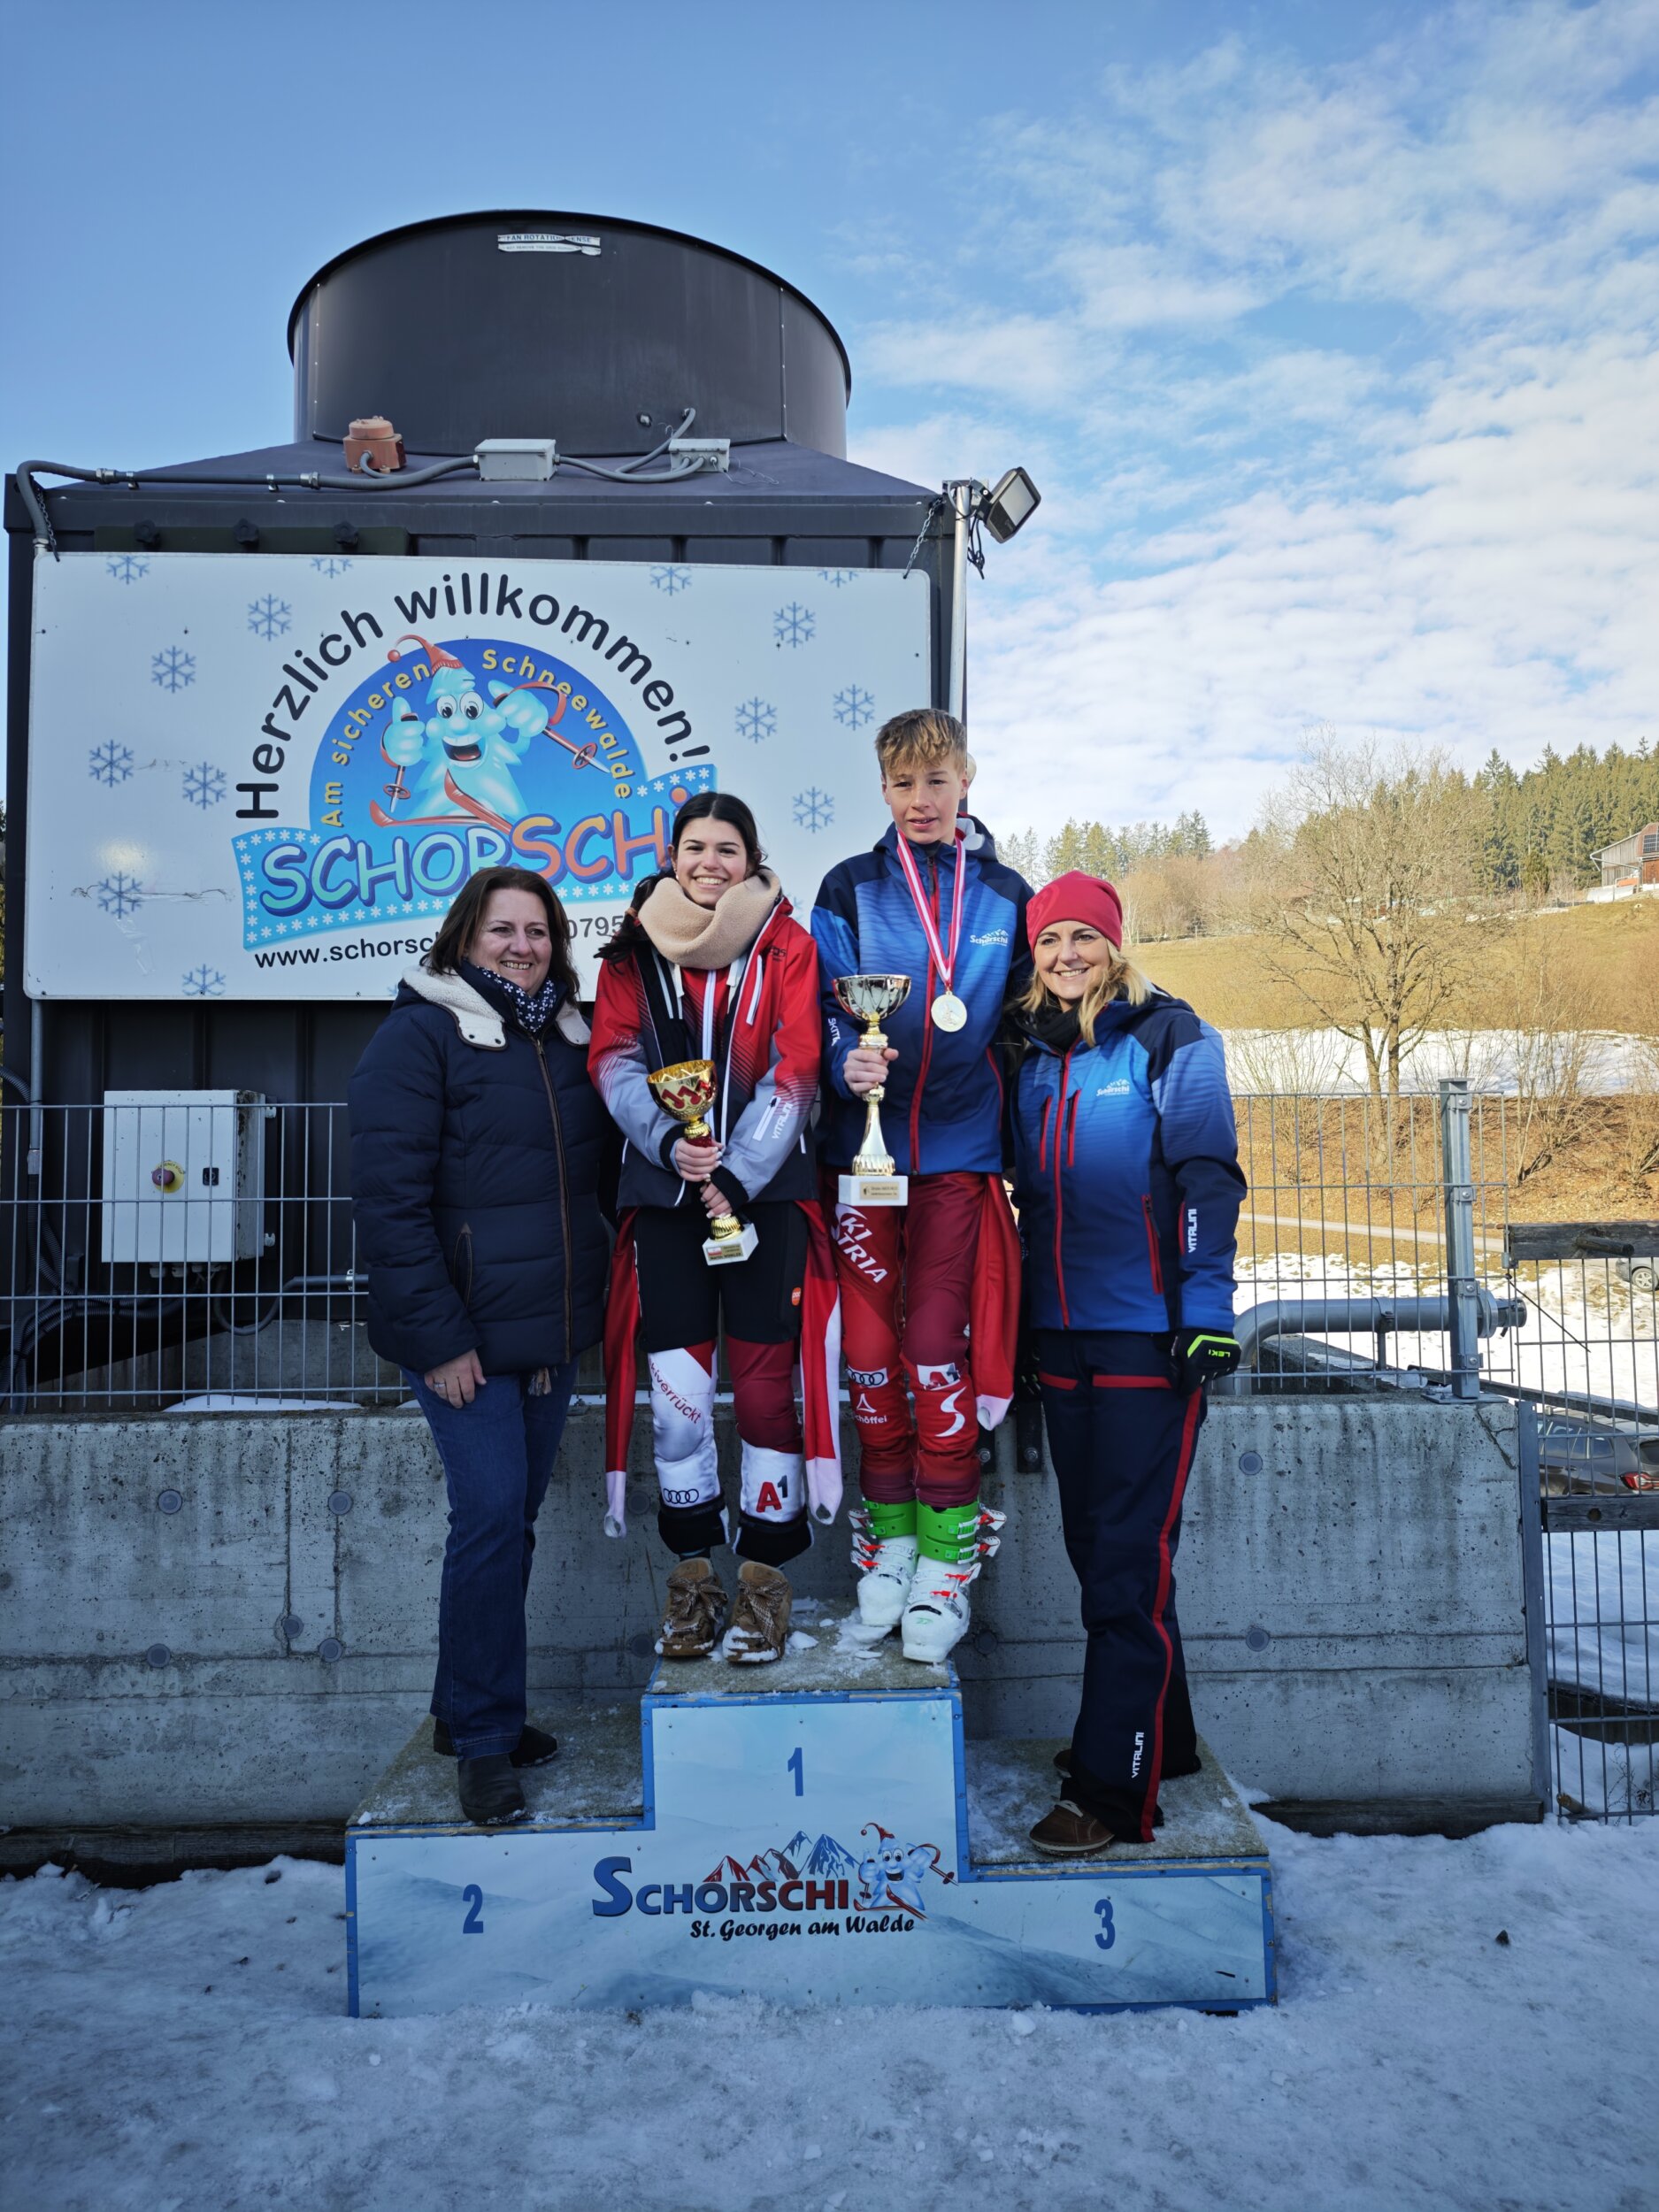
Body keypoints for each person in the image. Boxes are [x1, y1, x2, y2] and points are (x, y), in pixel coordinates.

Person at [349, 867, 610, 1827]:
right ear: (464, 937)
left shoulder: (567, 1035)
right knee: (491, 1517)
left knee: (512, 1523)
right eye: (502, 930)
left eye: (537, 932)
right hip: (458, 1337)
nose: (521, 947)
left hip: (542, 1334)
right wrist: (440, 1341)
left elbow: (578, 1189)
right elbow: (390, 1207)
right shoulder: (419, 1035)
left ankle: (465, 1711)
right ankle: (486, 1741)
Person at [1008, 871, 1246, 1855]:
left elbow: (1207, 1177)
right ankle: (1165, 1741)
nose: (1068, 954)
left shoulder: (1171, 1038)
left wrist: (1205, 1311)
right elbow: (1024, 1198)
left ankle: (1114, 1792)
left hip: (1151, 1338)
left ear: (1114, 944)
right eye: (1050, 938)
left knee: (1122, 1565)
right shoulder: (1031, 1054)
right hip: (1061, 1339)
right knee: (1103, 1554)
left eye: (1084, 936)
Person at [589, 794, 840, 1664]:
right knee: (680, 1401)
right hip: (664, 1198)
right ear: (672, 856)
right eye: (694, 847)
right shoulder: (631, 951)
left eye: (726, 848)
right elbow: (612, 1060)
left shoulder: (787, 944)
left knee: (768, 1394)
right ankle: (692, 1579)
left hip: (764, 1199)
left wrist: (733, 1175)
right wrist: (671, 1146)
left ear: (751, 858)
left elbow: (797, 1067)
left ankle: (764, 1583)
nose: (709, 862)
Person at [810, 709, 1026, 1662]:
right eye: (903, 784)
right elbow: (820, 1007)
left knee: (935, 1351)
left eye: (936, 780)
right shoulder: (849, 886)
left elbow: (1036, 1015)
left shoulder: (1007, 894)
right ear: (883, 790)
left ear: (966, 780)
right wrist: (840, 1062)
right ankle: (890, 1540)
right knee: (868, 1356)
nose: (921, 800)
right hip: (864, 1158)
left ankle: (948, 1555)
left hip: (959, 1154)